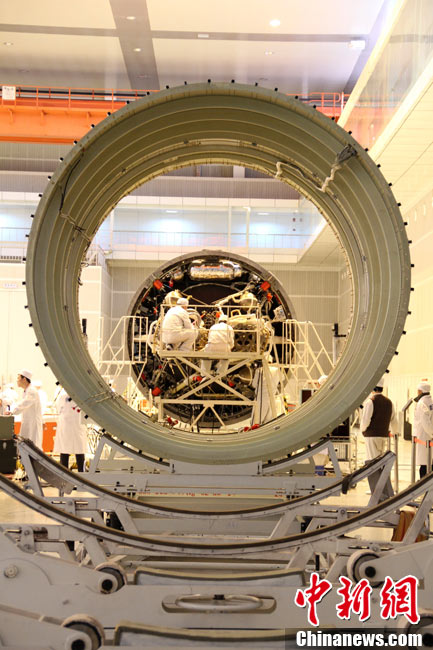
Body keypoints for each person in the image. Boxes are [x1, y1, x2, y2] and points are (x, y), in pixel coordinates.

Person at [360, 376, 397, 499]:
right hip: (384, 436)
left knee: (372, 463)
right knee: (381, 462)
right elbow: (394, 419)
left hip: (371, 436)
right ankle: (382, 489)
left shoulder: (370, 401)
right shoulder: (389, 402)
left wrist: (363, 430)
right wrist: (395, 432)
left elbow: (366, 419)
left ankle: (376, 490)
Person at [53, 389, 87, 472]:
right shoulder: (61, 393)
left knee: (77, 450)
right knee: (66, 450)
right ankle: (69, 474)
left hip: (74, 425)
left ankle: (78, 474)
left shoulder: (64, 394)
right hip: (67, 425)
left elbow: (58, 407)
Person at [10, 369, 43, 449]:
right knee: (25, 444)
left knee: (33, 446)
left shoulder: (32, 391)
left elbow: (25, 403)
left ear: (24, 379)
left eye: (18, 378)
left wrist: (12, 411)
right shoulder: (26, 391)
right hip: (28, 422)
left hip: (33, 423)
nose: (17, 381)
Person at [251, 355, 285, 425]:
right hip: (272, 400)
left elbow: (254, 385)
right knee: (269, 423)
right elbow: (283, 378)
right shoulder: (277, 370)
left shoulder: (259, 370)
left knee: (255, 423)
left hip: (261, 400)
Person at [200, 313, 235, 378]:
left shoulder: (213, 327)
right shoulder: (229, 327)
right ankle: (220, 374)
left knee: (206, 358)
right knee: (226, 360)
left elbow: (209, 338)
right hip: (224, 347)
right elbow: (231, 341)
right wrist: (230, 347)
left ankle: (204, 374)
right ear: (227, 321)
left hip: (211, 346)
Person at [413, 381, 433, 479]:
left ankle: (424, 482)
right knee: (429, 461)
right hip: (428, 436)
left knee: (424, 463)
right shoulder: (430, 401)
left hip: (425, 436)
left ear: (420, 391)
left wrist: (431, 433)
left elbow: (425, 421)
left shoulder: (421, 403)